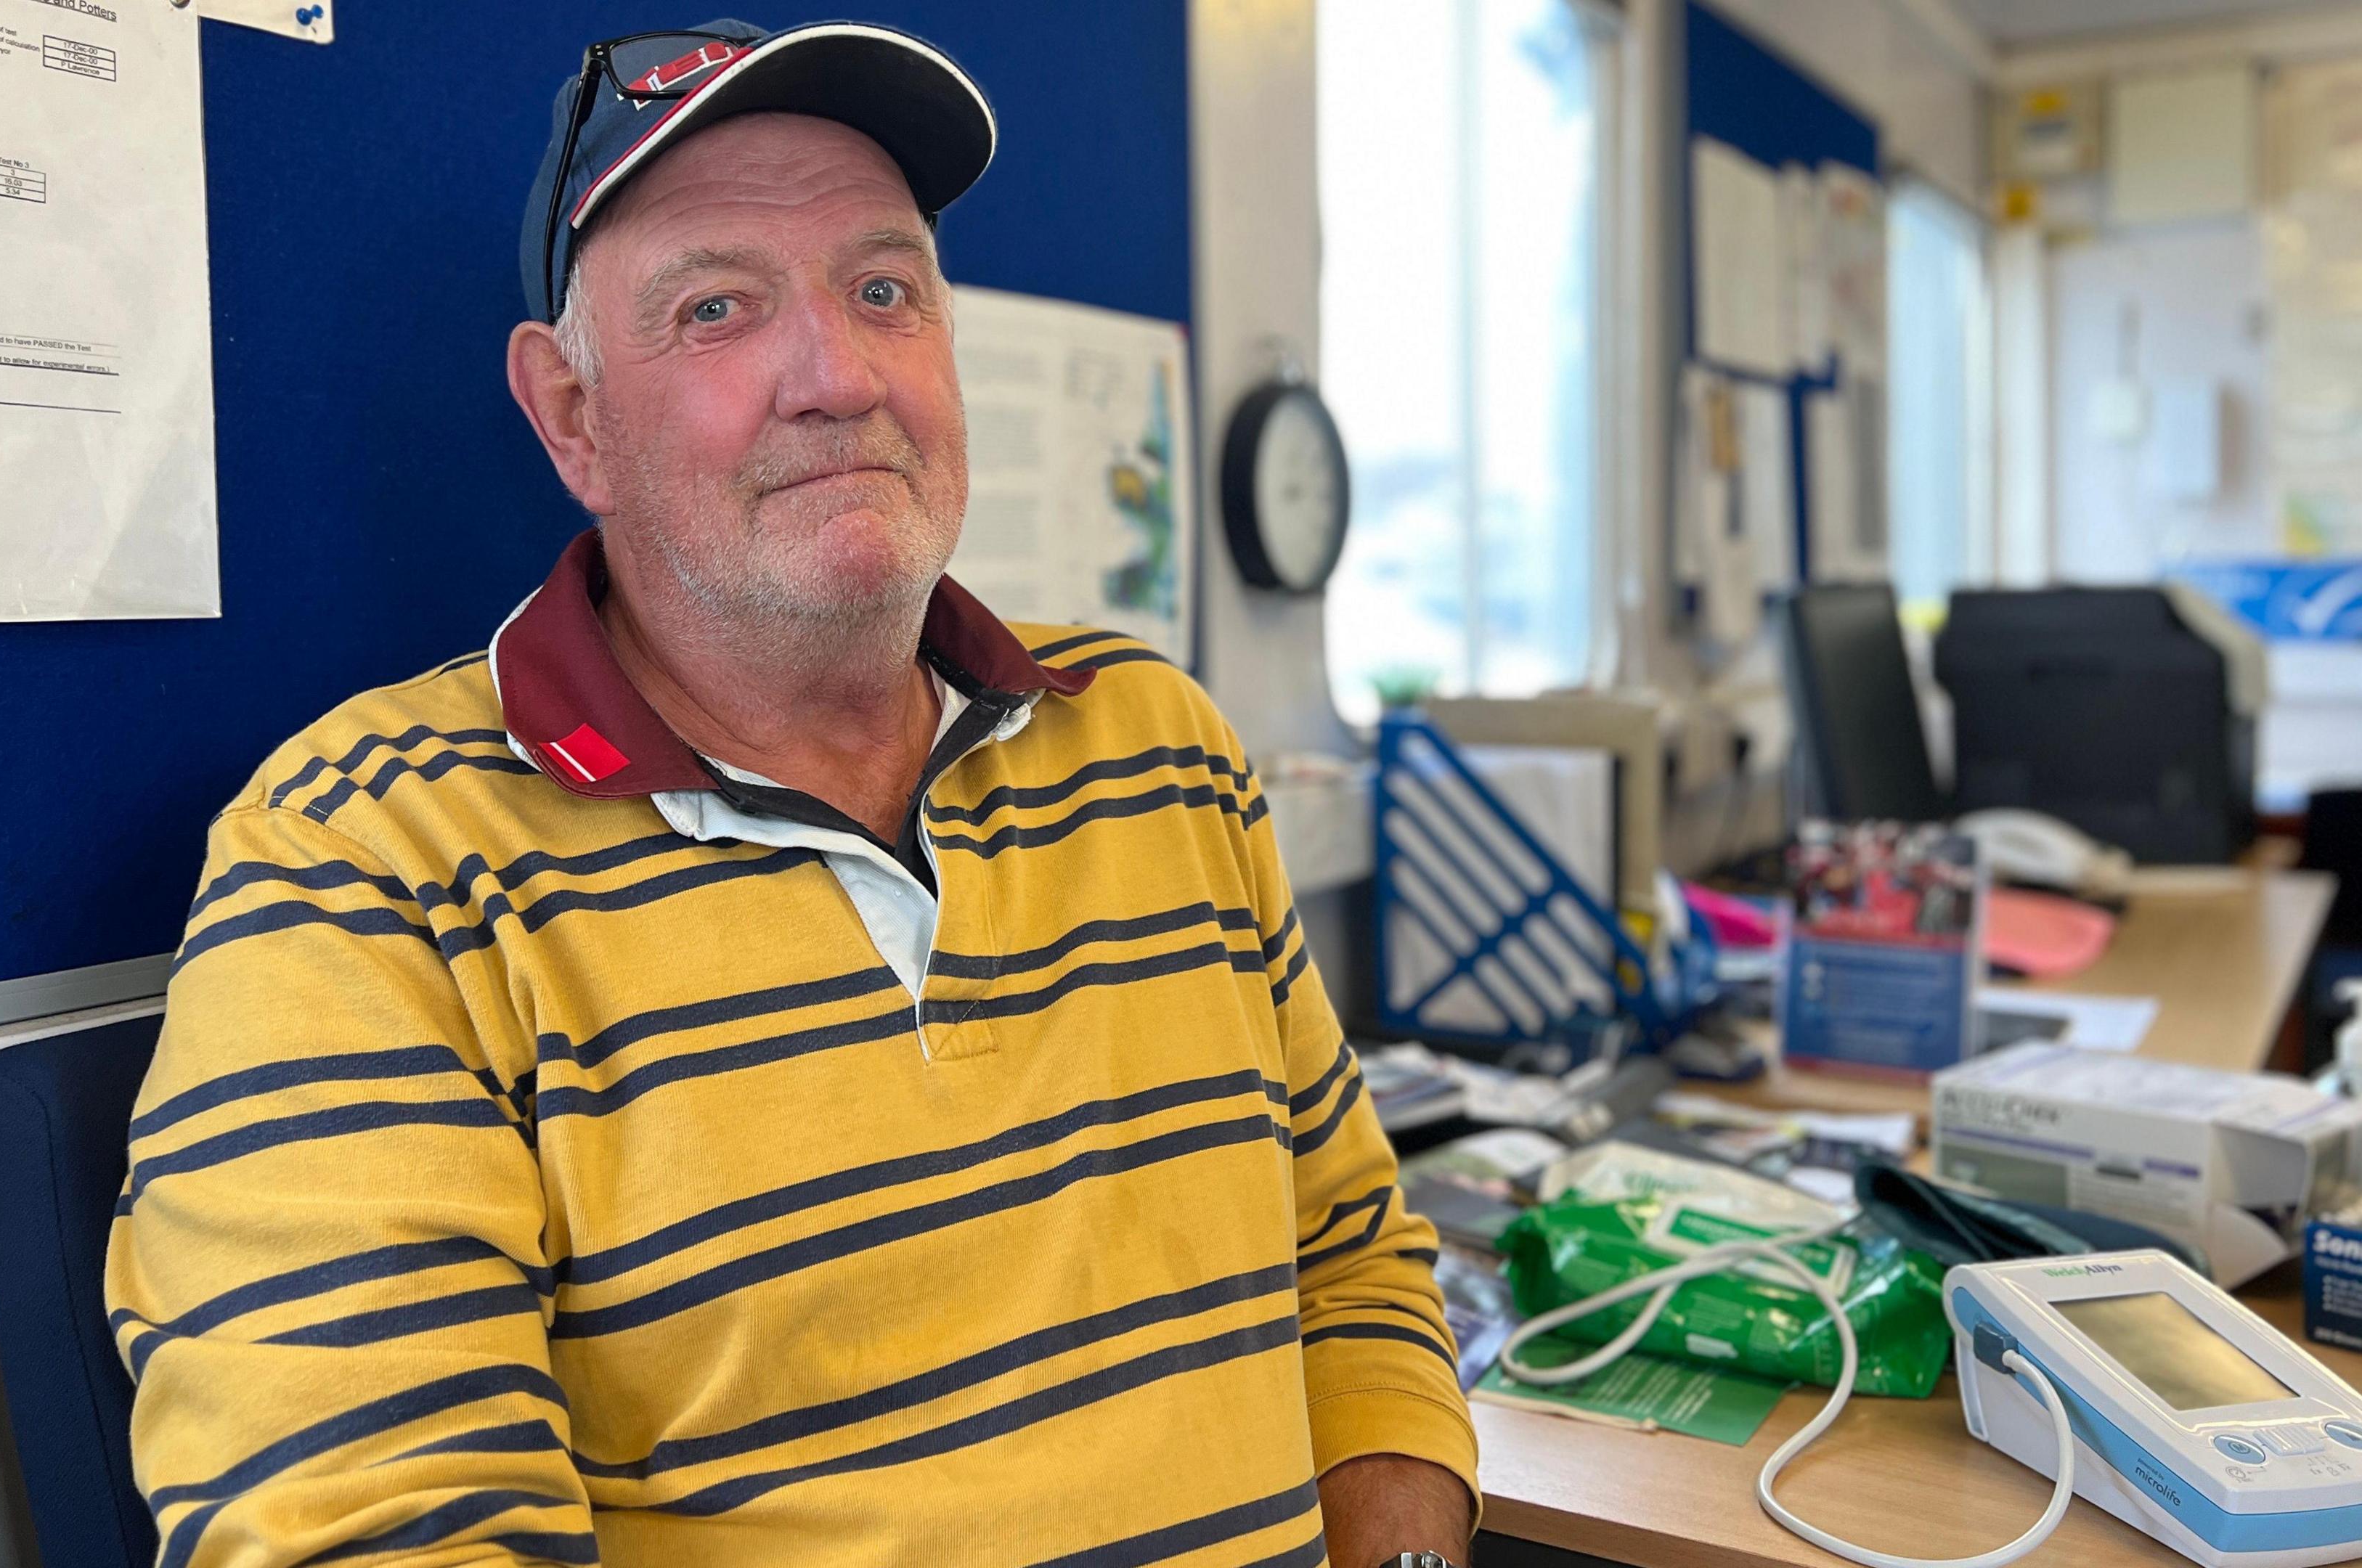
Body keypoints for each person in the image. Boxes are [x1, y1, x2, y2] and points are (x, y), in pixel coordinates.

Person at [107, 18, 1476, 1566]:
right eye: (717, 309)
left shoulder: (1157, 746)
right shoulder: (368, 864)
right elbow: (368, 1532)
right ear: (572, 416)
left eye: (884, 290)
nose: (837, 376)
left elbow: (1355, 1269)